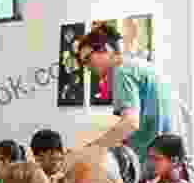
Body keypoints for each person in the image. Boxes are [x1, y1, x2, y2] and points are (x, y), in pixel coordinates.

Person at [77, 24, 182, 169]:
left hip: (153, 163)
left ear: (106, 49)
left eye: (88, 59)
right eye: (84, 63)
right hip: (172, 160)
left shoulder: (121, 72)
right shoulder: (140, 65)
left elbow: (130, 123)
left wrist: (93, 148)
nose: (87, 67)